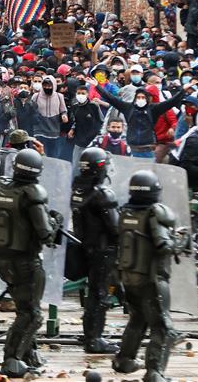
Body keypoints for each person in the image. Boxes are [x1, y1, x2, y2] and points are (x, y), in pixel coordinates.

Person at [0, 148, 61, 377]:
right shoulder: (33, 193)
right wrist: (55, 222)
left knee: (23, 309)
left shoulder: (0, 188)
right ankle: (12, 359)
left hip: (3, 260)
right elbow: (46, 235)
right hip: (26, 261)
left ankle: (29, 355)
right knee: (31, 314)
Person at [114, 170, 191, 381]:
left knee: (137, 319)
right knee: (163, 327)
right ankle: (155, 372)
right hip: (152, 279)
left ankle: (124, 360)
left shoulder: (125, 213)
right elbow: (164, 246)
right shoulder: (155, 213)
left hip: (128, 277)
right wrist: (182, 242)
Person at [71, 147, 120, 353]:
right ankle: (95, 338)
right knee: (100, 295)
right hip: (104, 250)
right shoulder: (103, 194)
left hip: (86, 248)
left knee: (93, 294)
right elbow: (116, 228)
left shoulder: (77, 191)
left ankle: (89, 334)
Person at [91, 77, 193, 159]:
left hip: (147, 151)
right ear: (135, 98)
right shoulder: (128, 107)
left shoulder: (153, 109)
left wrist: (183, 90)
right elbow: (111, 98)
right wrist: (97, 86)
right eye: (138, 97)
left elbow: (171, 102)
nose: (140, 99)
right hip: (131, 150)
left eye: (143, 97)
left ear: (147, 99)